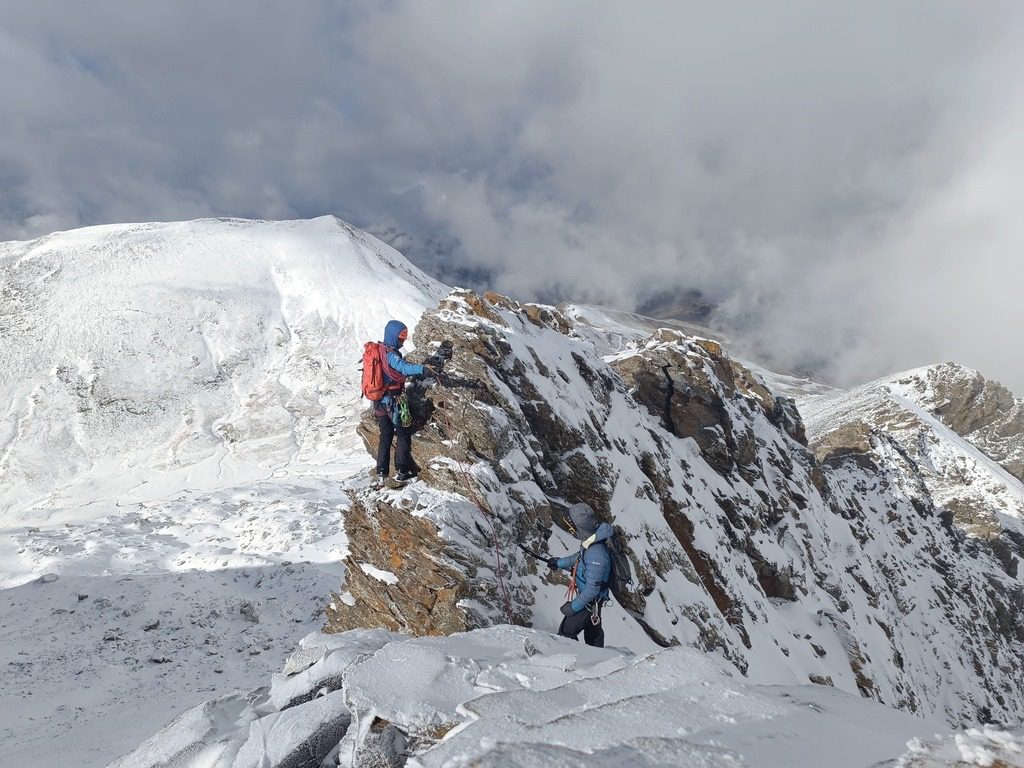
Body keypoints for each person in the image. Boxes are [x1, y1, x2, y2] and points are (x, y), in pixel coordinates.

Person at [547, 502, 615, 647]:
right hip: (594, 603)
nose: (570, 529)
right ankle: (598, 661)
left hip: (588, 603)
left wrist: (573, 607)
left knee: (566, 634)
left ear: (580, 527)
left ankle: (572, 665)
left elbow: (592, 590)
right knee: (593, 635)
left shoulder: (596, 554)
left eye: (571, 526)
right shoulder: (592, 541)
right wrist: (559, 563)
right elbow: (579, 557)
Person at [374, 319, 427, 485]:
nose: (403, 340)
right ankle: (402, 471)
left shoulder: (379, 350)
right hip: (393, 401)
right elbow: (403, 368)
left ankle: (381, 473)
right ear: (393, 336)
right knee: (403, 434)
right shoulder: (391, 354)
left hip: (379, 401)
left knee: (386, 435)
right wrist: (422, 369)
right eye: (401, 337)